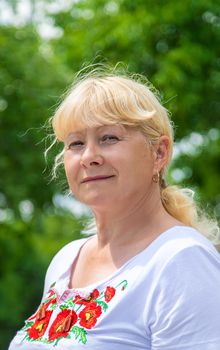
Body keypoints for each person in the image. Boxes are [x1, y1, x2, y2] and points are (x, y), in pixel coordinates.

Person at [9, 67, 220, 350]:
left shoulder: (181, 260)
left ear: (159, 153)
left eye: (109, 138)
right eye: (76, 143)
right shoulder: (66, 259)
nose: (89, 157)